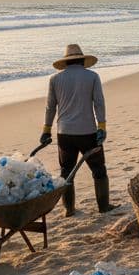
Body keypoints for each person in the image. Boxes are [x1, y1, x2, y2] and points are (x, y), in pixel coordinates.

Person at [40, 44, 115, 216]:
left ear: (66, 62)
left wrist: (46, 130)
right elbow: (99, 103)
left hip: (64, 133)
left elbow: (50, 107)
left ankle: (69, 209)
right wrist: (101, 127)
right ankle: (103, 207)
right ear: (82, 60)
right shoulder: (92, 76)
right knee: (98, 170)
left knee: (67, 172)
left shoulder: (55, 79)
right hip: (87, 131)